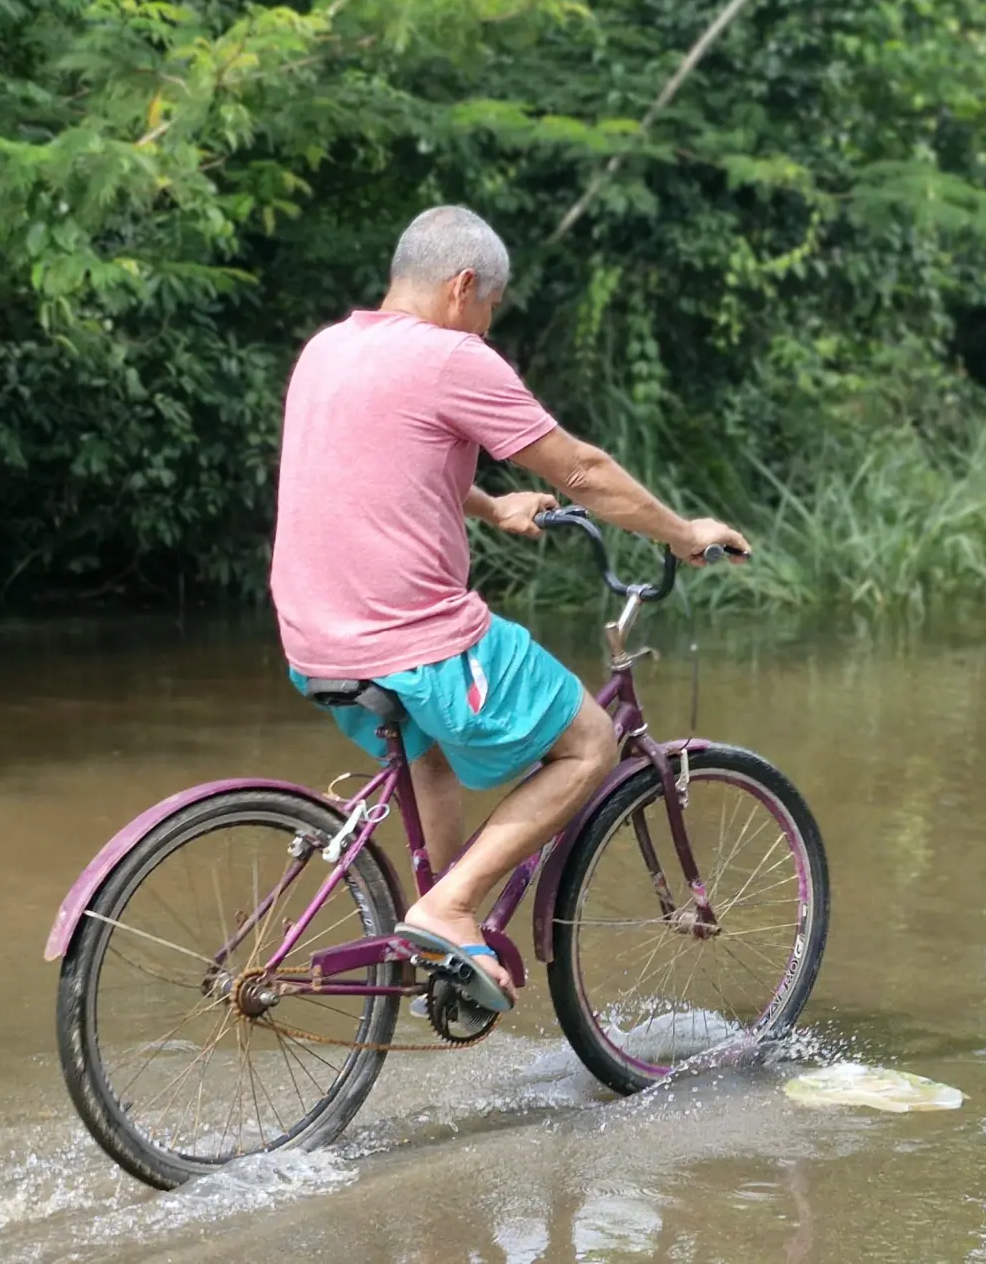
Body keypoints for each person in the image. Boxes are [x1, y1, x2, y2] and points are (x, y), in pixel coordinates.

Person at [269, 204, 750, 1015]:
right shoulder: (452, 357)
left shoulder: (330, 349)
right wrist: (680, 534)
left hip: (314, 636)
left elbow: (390, 465)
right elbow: (585, 472)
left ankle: (442, 951)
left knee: (434, 756)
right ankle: (451, 907)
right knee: (590, 744)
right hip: (410, 639)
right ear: (463, 286)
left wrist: (492, 510)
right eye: (491, 308)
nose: (488, 328)